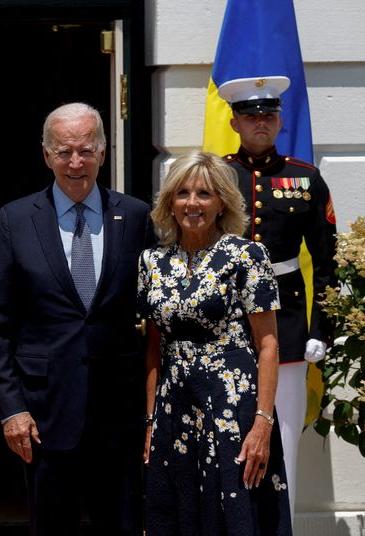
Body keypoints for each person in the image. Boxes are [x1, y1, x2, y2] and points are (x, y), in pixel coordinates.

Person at [0, 102, 156, 535]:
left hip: (119, 412)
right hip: (43, 414)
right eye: (64, 151)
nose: (75, 163)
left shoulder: (135, 216)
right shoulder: (16, 219)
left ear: (102, 151)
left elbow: (154, 313)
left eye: (86, 150)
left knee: (121, 524)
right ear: (46, 155)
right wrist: (11, 410)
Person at [139, 150, 292, 534]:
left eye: (204, 194)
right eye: (183, 193)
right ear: (169, 202)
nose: (192, 203)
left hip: (232, 408)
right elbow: (154, 349)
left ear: (221, 201)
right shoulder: (151, 262)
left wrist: (263, 423)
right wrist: (150, 422)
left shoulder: (247, 256)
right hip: (174, 409)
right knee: (177, 513)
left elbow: (269, 345)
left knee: (235, 515)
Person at [219, 75, 336, 518]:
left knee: (282, 437)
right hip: (224, 325)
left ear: (281, 121)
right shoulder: (216, 174)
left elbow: (326, 263)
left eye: (268, 115)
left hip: (285, 326)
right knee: (226, 436)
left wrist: (320, 328)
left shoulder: (304, 179)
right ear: (235, 123)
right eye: (251, 116)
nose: (260, 123)